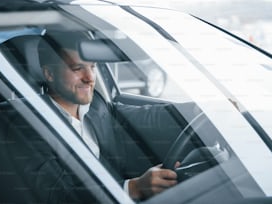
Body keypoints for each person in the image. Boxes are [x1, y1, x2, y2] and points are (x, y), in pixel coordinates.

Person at [38, 31, 180, 201]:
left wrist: (193, 111)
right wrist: (134, 188)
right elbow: (56, 196)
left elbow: (148, 116)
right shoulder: (31, 124)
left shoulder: (96, 105)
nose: (90, 78)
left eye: (92, 67)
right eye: (77, 68)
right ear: (49, 74)